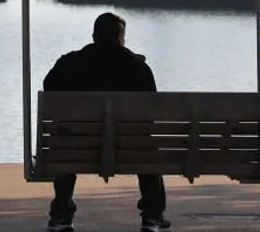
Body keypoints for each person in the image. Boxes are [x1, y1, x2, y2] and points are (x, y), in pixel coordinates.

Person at [42, 12, 171, 232]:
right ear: (121, 38)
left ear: (94, 36)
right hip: (128, 149)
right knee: (146, 147)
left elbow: (49, 87)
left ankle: (62, 216)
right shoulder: (138, 68)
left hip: (77, 149)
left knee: (65, 142)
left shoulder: (69, 63)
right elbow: (151, 112)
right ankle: (152, 217)